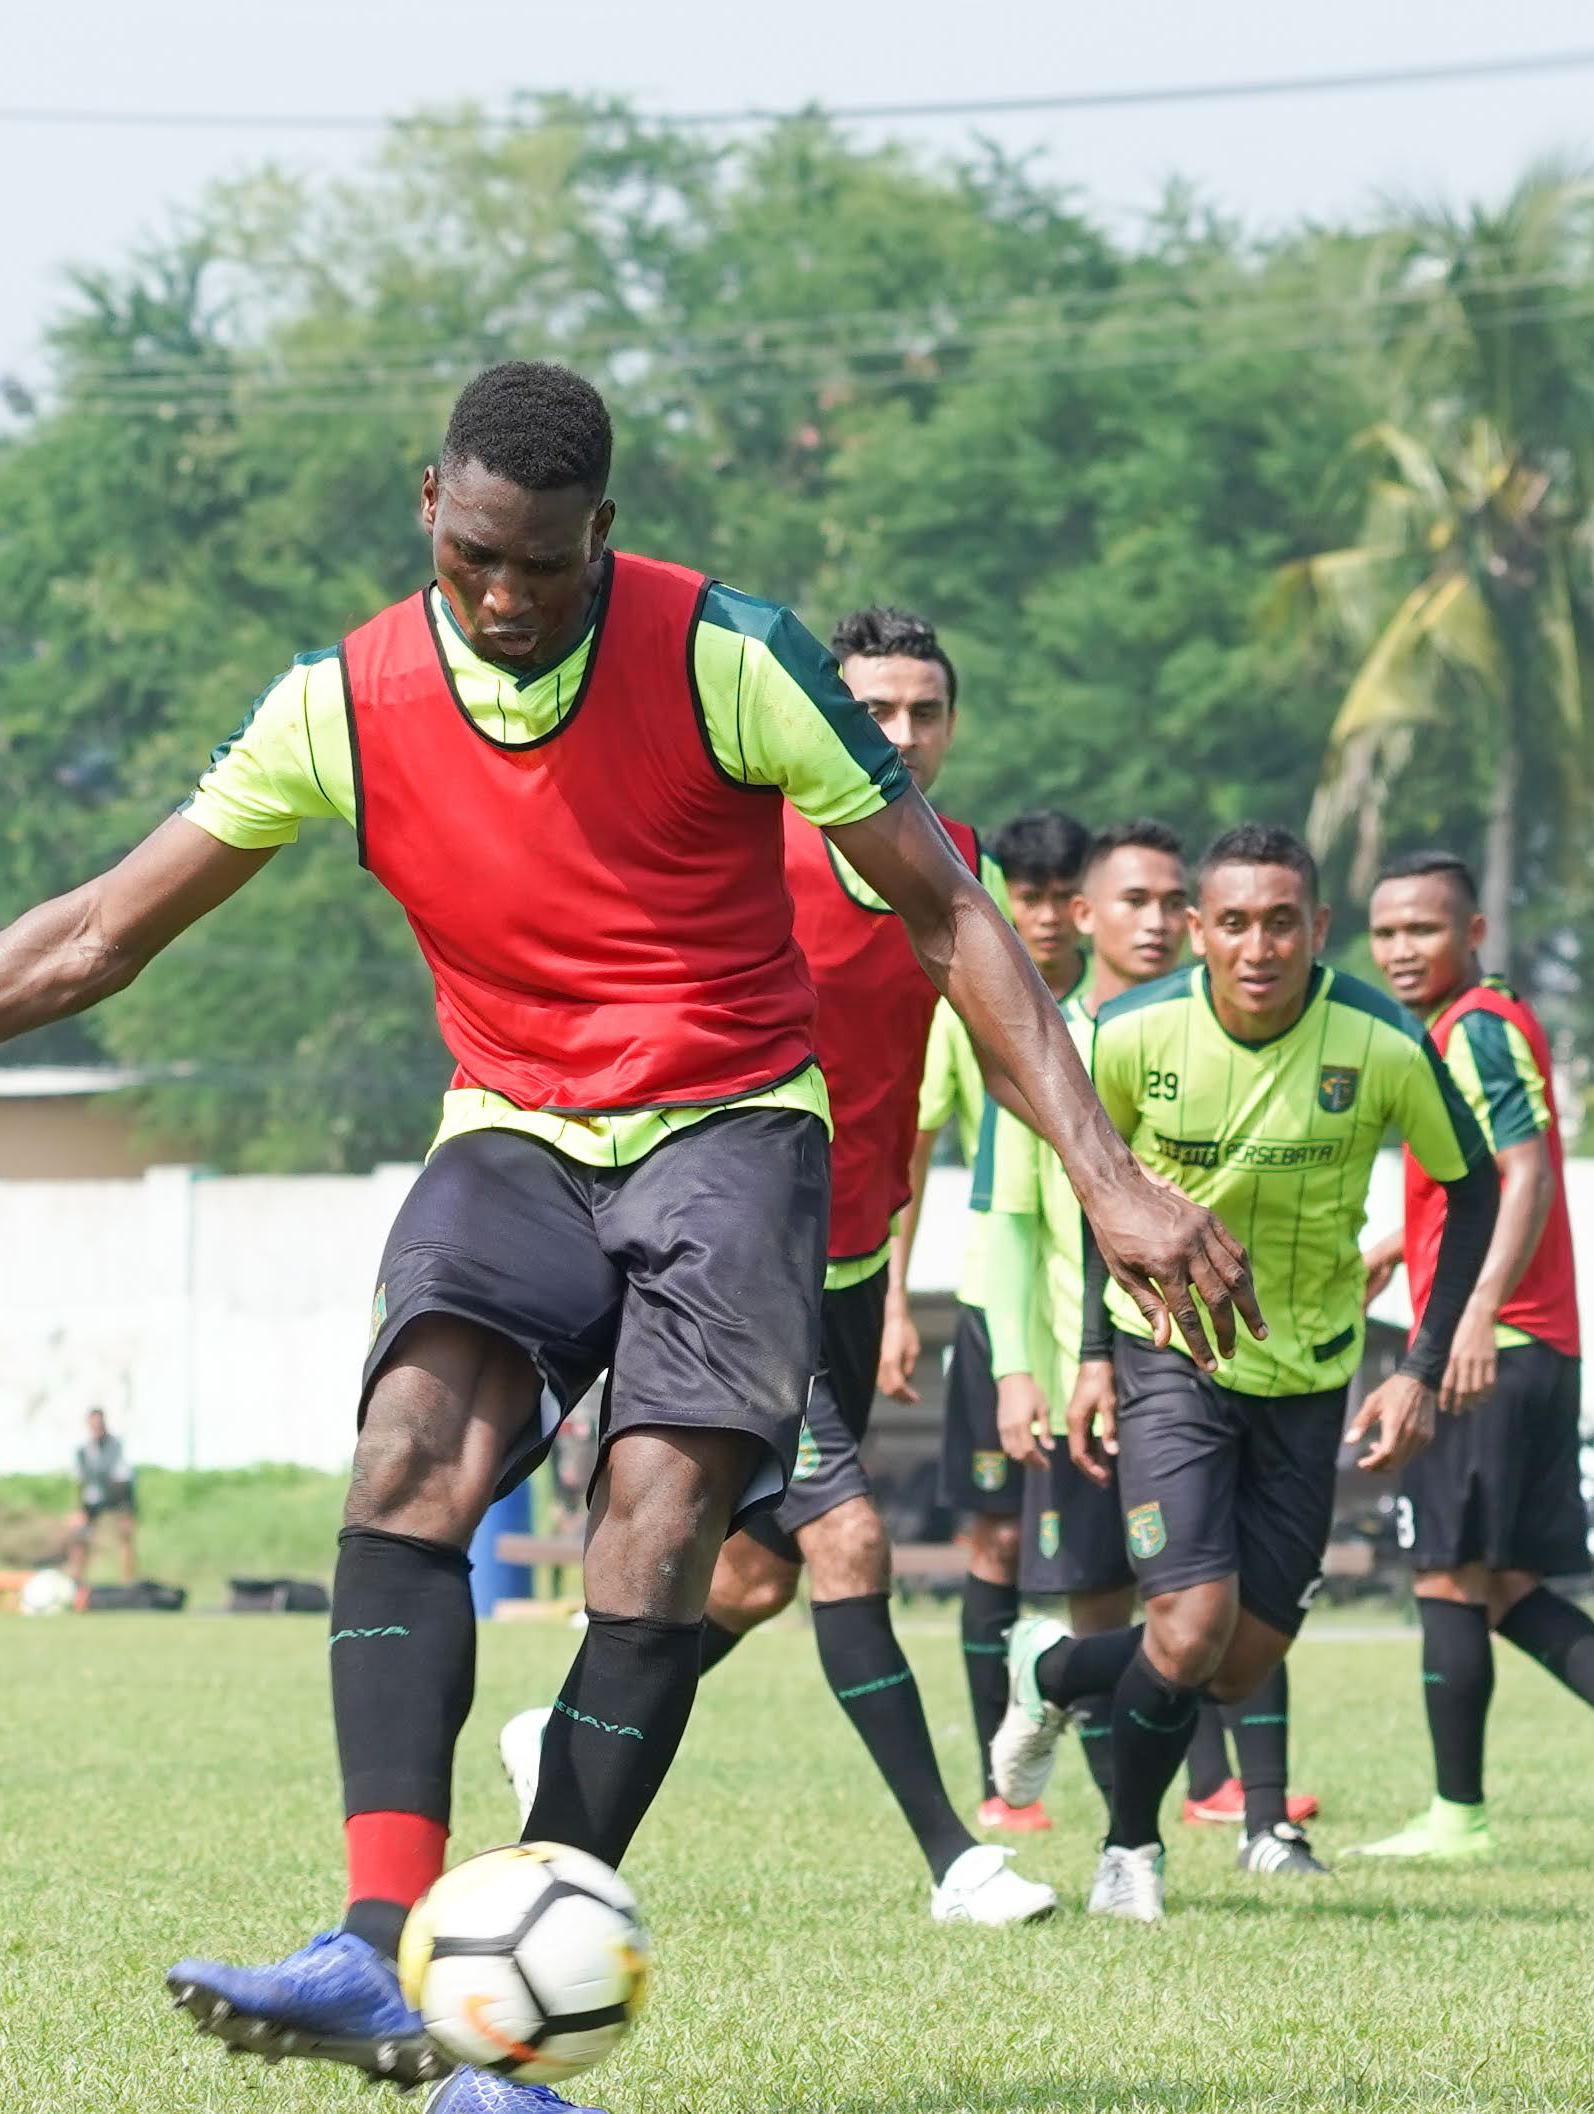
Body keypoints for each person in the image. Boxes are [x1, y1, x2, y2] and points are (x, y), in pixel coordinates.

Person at [0, 363, 1256, 2111]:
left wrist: (1100, 1170)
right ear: (428, 504)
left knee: (660, 1526)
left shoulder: (728, 653)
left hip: (728, 1122)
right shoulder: (342, 698)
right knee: (409, 1445)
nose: (498, 600)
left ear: (600, 540)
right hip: (511, 1124)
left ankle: (510, 2014)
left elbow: (945, 908)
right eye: (473, 554)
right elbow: (96, 931)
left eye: (539, 568)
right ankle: (369, 1933)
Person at [514, 608, 1056, 1925]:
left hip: (852, 1267)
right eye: (871, 712)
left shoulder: (956, 863)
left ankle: (563, 1734)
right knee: (851, 1539)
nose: (901, 736)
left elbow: (965, 1070)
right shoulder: (746, 851)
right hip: (731, 1262)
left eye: (924, 712)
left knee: (747, 1574)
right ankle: (954, 1857)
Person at [990, 822, 1498, 1923]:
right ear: (1194, 930)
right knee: (1186, 1622)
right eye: (1232, 922)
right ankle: (1129, 1852)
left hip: (1312, 1370)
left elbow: (1473, 1189)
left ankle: (1053, 1673)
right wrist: (1088, 1355)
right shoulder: (1126, 1032)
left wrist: (1414, 1363)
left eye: (1280, 922)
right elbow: (1100, 1191)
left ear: (1315, 927)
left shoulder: (1381, 1041)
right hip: (1169, 1350)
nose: (1257, 945)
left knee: (1234, 1657)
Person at [1351, 850, 1594, 1864]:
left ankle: (1454, 1815)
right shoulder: (1472, 1027)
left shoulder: (1473, 1031)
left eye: (1422, 929)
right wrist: (1395, 1244)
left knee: (1444, 1575)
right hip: (1532, 1343)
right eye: (1384, 932)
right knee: (1501, 1581)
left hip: (1490, 1349)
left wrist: (1466, 1315)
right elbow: (1462, 1188)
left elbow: (1523, 1174)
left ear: (1472, 933)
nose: (1399, 949)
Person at [881, 809, 1091, 1832]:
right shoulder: (965, 998)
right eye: (1027, 893)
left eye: (1061, 895)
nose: (1044, 917)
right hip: (997, 1306)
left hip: (1107, 1308)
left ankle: (1213, 1786)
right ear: (999, 892)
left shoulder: (1125, 1005)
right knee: (994, 1543)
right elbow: (914, 1154)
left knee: (1154, 1554)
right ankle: (995, 1786)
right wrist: (891, 1296)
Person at [68, 1408, 138, 1586]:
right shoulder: (83, 1451)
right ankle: (76, 1581)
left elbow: (123, 1481)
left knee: (125, 1535)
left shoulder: (116, 1447)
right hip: (93, 1500)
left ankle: (126, 1582)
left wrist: (126, 1510)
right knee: (79, 1535)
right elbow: (81, 1482)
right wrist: (80, 1510)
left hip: (117, 1497)